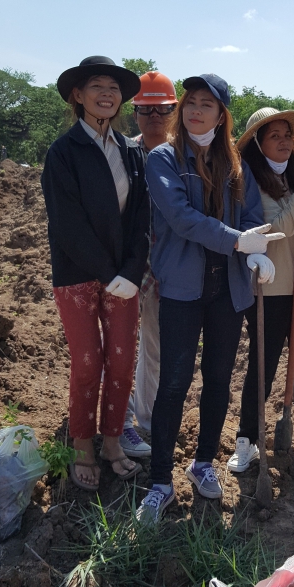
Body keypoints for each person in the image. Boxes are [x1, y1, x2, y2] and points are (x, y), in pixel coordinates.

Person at [137, 74, 285, 523]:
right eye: (191, 102)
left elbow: (253, 215)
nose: (196, 111)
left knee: (218, 380)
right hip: (182, 288)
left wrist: (256, 251)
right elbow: (181, 218)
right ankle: (160, 482)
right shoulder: (163, 159)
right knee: (174, 383)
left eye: (207, 104)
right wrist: (239, 242)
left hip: (227, 290)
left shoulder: (235, 164)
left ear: (222, 115)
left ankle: (203, 463)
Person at [41, 56, 150, 491]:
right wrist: (109, 274)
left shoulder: (131, 151)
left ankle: (113, 442)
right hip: (78, 275)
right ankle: (82, 444)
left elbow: (141, 217)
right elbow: (68, 225)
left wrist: (132, 270)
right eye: (96, 86)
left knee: (121, 363)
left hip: (124, 277)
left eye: (113, 88)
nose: (106, 94)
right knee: (88, 363)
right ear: (78, 95)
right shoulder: (63, 153)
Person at [227, 108, 294, 474]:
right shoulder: (248, 184)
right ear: (258, 143)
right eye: (274, 136)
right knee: (263, 366)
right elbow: (281, 226)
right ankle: (247, 439)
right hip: (270, 289)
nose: (284, 142)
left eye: (287, 135)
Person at [120, 71, 178, 459]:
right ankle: (119, 420)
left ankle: (148, 418)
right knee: (119, 345)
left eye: (162, 109)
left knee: (155, 347)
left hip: (167, 267)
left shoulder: (183, 157)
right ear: (135, 113)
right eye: (146, 110)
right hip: (126, 265)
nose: (154, 116)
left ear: (174, 111)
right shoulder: (123, 154)